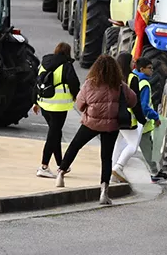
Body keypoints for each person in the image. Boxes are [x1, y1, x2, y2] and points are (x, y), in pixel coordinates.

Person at [57, 54, 135, 205]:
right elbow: (132, 101)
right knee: (106, 158)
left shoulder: (89, 84)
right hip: (111, 127)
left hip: (90, 123)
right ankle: (104, 193)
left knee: (75, 146)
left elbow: (79, 105)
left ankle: (61, 173)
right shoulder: (119, 85)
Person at [32, 42, 80, 179]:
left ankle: (61, 165)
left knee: (55, 133)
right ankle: (43, 166)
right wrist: (77, 98)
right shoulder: (66, 65)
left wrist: (35, 102)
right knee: (53, 134)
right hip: (59, 106)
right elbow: (74, 84)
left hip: (44, 104)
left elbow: (35, 83)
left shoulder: (43, 63)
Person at [112, 54, 160, 184]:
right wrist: (146, 119)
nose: (152, 71)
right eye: (150, 68)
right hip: (131, 118)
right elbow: (140, 105)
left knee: (118, 144)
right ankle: (118, 167)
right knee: (133, 146)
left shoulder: (116, 77)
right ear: (142, 69)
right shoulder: (140, 82)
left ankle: (112, 172)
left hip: (115, 116)